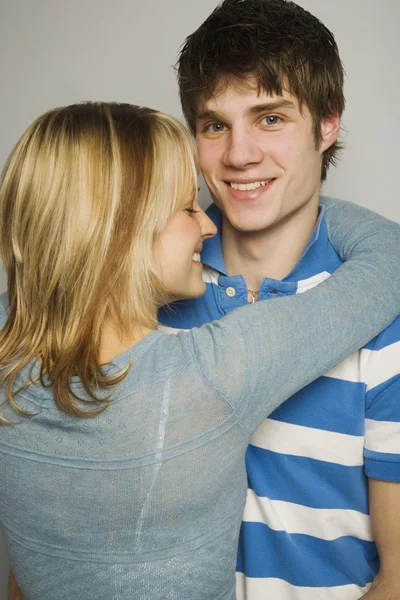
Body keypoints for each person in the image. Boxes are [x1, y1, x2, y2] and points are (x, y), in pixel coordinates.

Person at [1, 103, 400, 600]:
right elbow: (386, 269)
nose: (208, 225)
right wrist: (304, 194)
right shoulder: (210, 373)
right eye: (186, 208)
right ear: (121, 229)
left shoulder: (9, 350)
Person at [158, 0, 400, 598]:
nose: (239, 155)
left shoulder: (386, 317)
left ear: (327, 126)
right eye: (215, 125)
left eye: (269, 119)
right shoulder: (149, 299)